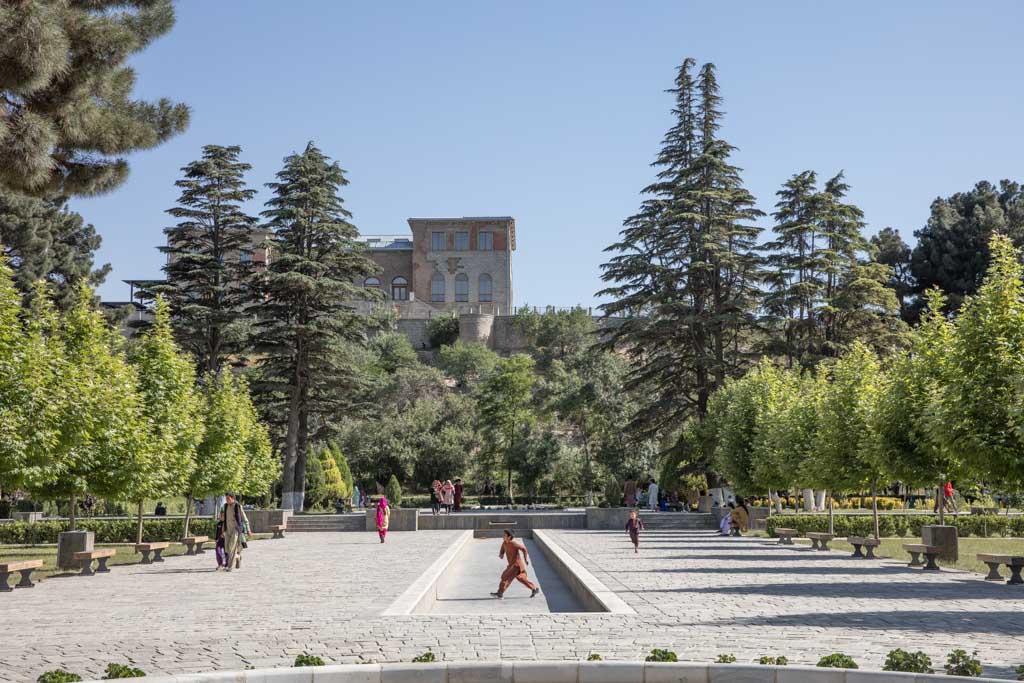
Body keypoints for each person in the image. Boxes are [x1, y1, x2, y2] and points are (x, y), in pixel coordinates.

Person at [490, 529, 540, 599]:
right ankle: (534, 589)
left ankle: (500, 593)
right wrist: (501, 554)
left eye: (504, 535)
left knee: (505, 577)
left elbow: (524, 549)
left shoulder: (513, 544)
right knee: (521, 578)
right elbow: (502, 548)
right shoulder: (504, 543)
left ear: (509, 537)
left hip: (516, 565)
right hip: (513, 565)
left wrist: (525, 559)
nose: (503, 536)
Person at [221, 493, 250, 571]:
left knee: (232, 547)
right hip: (228, 529)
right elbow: (225, 520)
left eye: (228, 498)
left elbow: (245, 518)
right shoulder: (225, 506)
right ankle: (238, 557)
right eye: (226, 498)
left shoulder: (237, 506)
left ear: (233, 498)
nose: (227, 500)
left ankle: (230, 566)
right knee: (226, 548)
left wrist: (248, 530)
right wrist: (223, 530)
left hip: (236, 529)